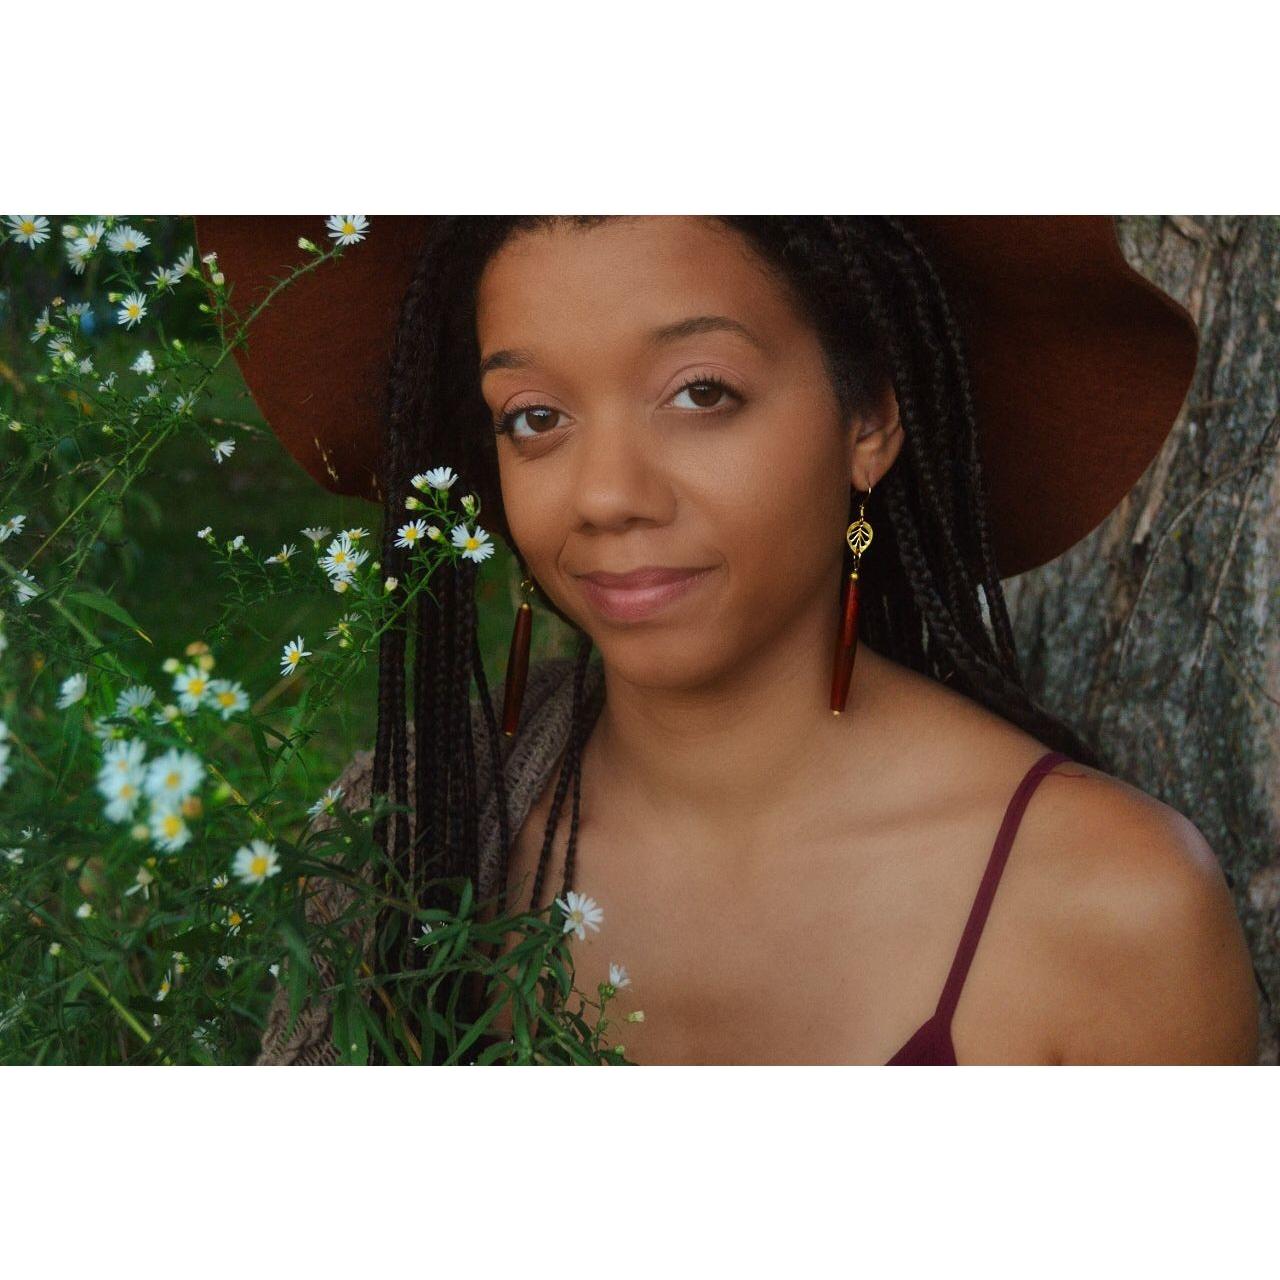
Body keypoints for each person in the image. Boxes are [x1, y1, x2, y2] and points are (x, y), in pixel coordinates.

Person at [202, 215, 1260, 1065]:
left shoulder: (1112, 904)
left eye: (700, 393)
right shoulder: (404, 839)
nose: (606, 496)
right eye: (533, 416)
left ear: (869, 421)